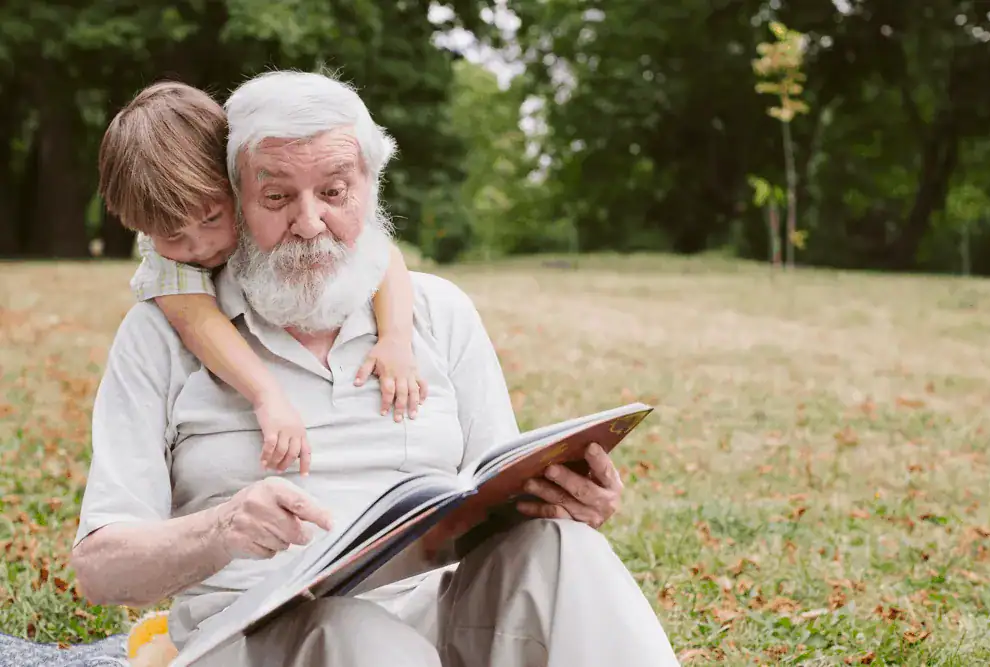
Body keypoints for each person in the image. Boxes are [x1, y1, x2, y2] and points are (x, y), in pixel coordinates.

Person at [71, 70, 680, 666]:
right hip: (254, 638)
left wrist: (563, 499)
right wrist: (222, 528)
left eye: (335, 192)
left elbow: (500, 501)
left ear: (371, 187)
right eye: (278, 196)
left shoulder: (435, 311)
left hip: (432, 617)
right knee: (350, 633)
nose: (309, 224)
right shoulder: (161, 332)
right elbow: (100, 570)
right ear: (238, 192)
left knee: (565, 549)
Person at [97, 81, 427, 475]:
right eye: (173, 236)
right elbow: (199, 322)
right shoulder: (167, 266)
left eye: (212, 220)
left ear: (233, 181)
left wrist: (395, 338)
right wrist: (266, 394)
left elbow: (382, 257)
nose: (200, 247)